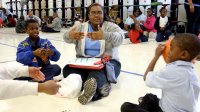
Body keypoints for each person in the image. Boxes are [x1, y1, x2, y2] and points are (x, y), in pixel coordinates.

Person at [63, 3, 124, 105]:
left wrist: (105, 35)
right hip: (84, 63)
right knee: (67, 70)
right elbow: (65, 38)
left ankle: (90, 91)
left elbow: (120, 39)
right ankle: (102, 85)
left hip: (107, 63)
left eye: (99, 12)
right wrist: (70, 35)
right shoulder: (81, 27)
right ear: (88, 15)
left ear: (103, 14)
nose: (96, 15)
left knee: (96, 74)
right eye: (93, 13)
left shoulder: (111, 26)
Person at [121, 33, 200, 112]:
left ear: (183, 54)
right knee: (149, 97)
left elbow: (146, 77)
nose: (168, 50)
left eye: (171, 48)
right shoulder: (191, 73)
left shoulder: (171, 72)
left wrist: (156, 56)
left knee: (125, 107)